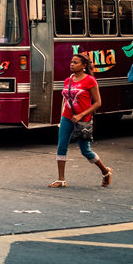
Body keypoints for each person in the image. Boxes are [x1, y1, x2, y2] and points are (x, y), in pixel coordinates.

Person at [49, 53, 113, 188]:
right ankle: (61, 179)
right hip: (67, 117)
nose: (72, 64)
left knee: (85, 151)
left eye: (76, 62)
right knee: (61, 146)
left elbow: (97, 103)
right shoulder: (68, 80)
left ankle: (105, 171)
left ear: (84, 66)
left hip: (83, 119)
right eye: (71, 62)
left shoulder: (90, 81)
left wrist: (80, 115)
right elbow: (66, 100)